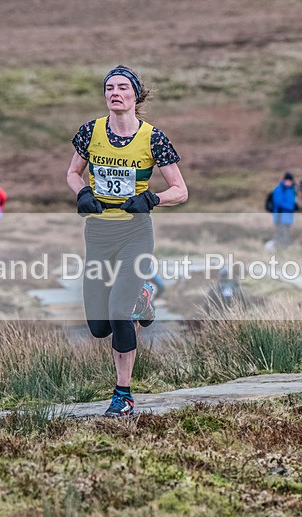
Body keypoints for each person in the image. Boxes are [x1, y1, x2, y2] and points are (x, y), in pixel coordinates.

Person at [66, 65, 188, 417]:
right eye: (109, 88)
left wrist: (152, 199)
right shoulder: (90, 132)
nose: (114, 93)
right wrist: (83, 192)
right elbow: (73, 172)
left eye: (122, 87)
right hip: (98, 234)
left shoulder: (153, 138)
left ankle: (123, 395)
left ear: (136, 95)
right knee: (99, 326)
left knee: (120, 313)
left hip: (135, 233)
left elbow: (180, 190)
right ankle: (144, 295)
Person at [271, 172, 297, 249]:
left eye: (290, 180)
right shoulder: (278, 189)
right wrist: (291, 207)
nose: (288, 182)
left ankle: (285, 249)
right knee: (280, 234)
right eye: (287, 180)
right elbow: (278, 202)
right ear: (284, 180)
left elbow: (292, 201)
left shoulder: (291, 190)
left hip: (288, 217)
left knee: (286, 234)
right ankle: (278, 249)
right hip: (280, 216)